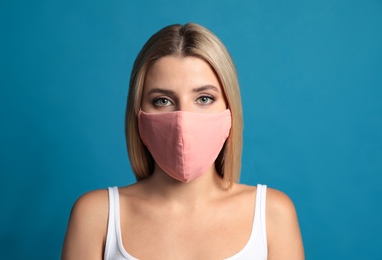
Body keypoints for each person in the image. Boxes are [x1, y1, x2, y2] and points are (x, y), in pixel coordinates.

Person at [62, 23, 304, 260]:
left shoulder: (272, 214)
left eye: (205, 98)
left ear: (230, 111)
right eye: (163, 100)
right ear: (138, 115)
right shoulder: (96, 216)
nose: (183, 120)